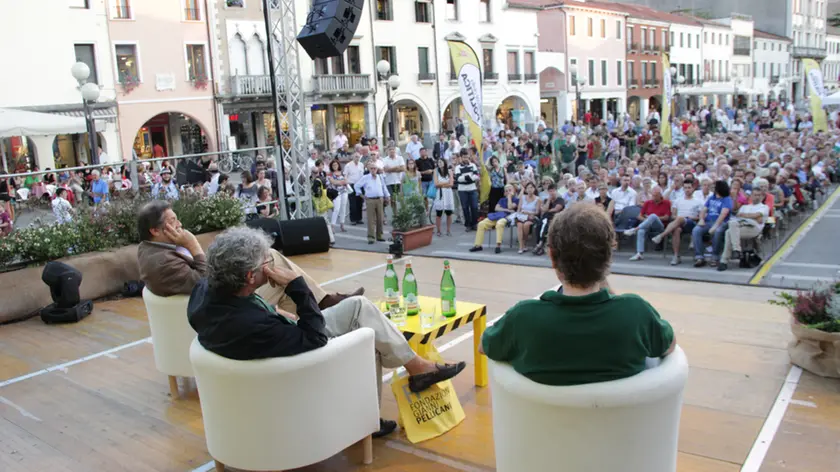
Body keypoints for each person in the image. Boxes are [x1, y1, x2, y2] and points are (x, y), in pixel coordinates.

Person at [187, 227, 466, 437]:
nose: (270, 268)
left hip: (263, 353)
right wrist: (296, 285)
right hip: (296, 362)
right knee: (363, 324)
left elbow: (254, 315)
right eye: (265, 266)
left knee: (360, 311)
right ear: (250, 277)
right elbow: (315, 338)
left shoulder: (204, 294)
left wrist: (273, 311)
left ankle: (412, 371)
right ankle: (380, 406)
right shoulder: (256, 326)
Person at [480, 204, 675, 386]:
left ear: (552, 257)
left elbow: (484, 346)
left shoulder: (523, 316)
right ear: (609, 255)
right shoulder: (636, 312)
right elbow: (668, 345)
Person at [136, 200, 361, 309]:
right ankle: (328, 307)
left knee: (279, 282)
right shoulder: (161, 262)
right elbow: (207, 283)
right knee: (271, 261)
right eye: (173, 222)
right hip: (220, 307)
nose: (180, 225)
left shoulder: (155, 249)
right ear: (155, 231)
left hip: (215, 300)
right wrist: (194, 245)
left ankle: (327, 311)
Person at [652, 178, 703, 266]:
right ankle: (676, 256)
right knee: (676, 230)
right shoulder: (678, 200)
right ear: (683, 188)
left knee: (679, 219)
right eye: (685, 188)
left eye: (689, 188)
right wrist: (679, 218)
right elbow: (673, 215)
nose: (687, 190)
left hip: (691, 223)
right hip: (679, 223)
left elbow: (700, 217)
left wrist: (689, 217)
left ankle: (661, 235)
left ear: (693, 188)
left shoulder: (698, 201)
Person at [718, 188, 769, 272]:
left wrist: (745, 215)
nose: (757, 197)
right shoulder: (745, 207)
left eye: (759, 195)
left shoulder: (764, 207)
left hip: (754, 228)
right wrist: (751, 216)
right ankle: (735, 250)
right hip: (740, 226)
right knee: (730, 229)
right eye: (755, 195)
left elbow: (757, 216)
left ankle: (725, 260)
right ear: (751, 196)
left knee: (729, 232)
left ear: (762, 196)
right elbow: (739, 216)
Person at [691, 180, 733, 268]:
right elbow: (704, 210)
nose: (712, 188)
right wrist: (701, 219)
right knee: (696, 230)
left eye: (714, 187)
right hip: (708, 221)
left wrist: (715, 226)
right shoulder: (712, 197)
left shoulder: (727, 199)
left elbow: (723, 214)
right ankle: (699, 257)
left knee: (717, 232)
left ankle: (715, 257)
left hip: (722, 222)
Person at [625, 186, 671, 261]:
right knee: (641, 231)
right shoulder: (647, 203)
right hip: (647, 225)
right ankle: (639, 253)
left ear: (660, 195)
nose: (653, 197)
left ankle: (634, 229)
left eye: (655, 195)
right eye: (652, 195)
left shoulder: (666, 203)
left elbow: (666, 217)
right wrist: (647, 220)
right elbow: (639, 216)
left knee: (653, 216)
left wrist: (652, 218)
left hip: (660, 226)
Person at [470, 184, 517, 254]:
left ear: (514, 191)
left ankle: (498, 245)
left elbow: (510, 207)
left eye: (510, 190)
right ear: (504, 193)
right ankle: (478, 245)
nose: (508, 192)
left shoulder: (516, 200)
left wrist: (509, 198)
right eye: (506, 191)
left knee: (499, 224)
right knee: (481, 224)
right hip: (497, 216)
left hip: (507, 217)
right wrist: (507, 210)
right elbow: (496, 208)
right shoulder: (502, 199)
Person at [354, 162, 390, 244]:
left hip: (380, 199)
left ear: (377, 169)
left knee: (380, 218)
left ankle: (379, 236)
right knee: (371, 219)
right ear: (369, 169)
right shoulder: (365, 177)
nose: (373, 170)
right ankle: (371, 237)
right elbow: (357, 186)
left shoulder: (380, 177)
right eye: (372, 168)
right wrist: (361, 195)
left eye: (375, 168)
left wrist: (387, 196)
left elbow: (384, 187)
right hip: (370, 200)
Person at [532, 184, 565, 256]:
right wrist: (549, 200)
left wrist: (547, 210)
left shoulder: (560, 200)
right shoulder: (547, 200)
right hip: (545, 217)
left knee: (545, 225)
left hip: (555, 218)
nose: (552, 193)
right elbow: (543, 210)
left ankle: (540, 244)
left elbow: (556, 209)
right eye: (550, 191)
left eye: (553, 191)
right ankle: (540, 245)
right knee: (538, 225)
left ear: (556, 191)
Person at [455, 150, 480, 231]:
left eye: (467, 157)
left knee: (474, 207)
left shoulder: (473, 165)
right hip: (462, 190)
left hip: (472, 188)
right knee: (465, 207)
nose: (465, 158)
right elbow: (458, 178)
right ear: (461, 158)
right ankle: (468, 225)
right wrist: (469, 177)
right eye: (464, 157)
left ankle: (474, 224)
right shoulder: (457, 167)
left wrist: (467, 178)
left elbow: (477, 176)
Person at [433, 158, 455, 236]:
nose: (439, 163)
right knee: (439, 213)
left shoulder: (449, 171)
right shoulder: (436, 172)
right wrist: (446, 183)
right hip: (440, 194)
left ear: (444, 163)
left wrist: (441, 184)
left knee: (449, 213)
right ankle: (438, 231)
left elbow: (451, 184)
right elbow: (436, 184)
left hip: (448, 194)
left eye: (441, 162)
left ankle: (448, 230)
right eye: (438, 162)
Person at [382, 146, 405, 219]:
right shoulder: (384, 159)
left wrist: (391, 169)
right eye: (390, 150)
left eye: (393, 150)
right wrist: (397, 167)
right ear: (387, 151)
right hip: (388, 182)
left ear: (395, 151)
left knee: (400, 198)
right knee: (392, 199)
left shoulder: (400, 158)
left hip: (398, 181)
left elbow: (403, 168)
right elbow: (385, 170)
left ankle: (402, 213)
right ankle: (395, 214)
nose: (392, 152)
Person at [327, 159, 349, 232]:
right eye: (333, 165)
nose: (335, 166)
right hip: (336, 193)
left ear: (338, 165)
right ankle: (332, 226)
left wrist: (339, 182)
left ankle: (342, 225)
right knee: (336, 209)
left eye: (336, 165)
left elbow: (346, 181)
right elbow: (334, 182)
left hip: (344, 192)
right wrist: (341, 182)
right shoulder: (330, 174)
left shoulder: (342, 172)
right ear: (331, 166)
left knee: (343, 209)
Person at [343, 151, 365, 225]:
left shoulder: (361, 165)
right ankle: (353, 219)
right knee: (353, 203)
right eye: (356, 157)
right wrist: (346, 185)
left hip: (360, 186)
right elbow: (345, 176)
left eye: (358, 157)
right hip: (351, 185)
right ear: (353, 157)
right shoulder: (348, 165)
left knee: (359, 203)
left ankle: (359, 218)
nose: (357, 158)